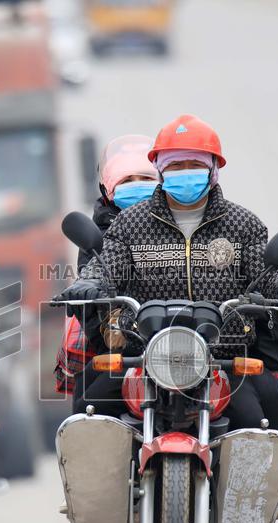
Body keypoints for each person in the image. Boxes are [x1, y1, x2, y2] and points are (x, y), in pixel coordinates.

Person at [40, 115, 278, 523]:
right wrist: (87, 285)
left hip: (224, 358)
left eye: (195, 163)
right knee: (89, 406)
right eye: (175, 163)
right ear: (161, 168)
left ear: (213, 167)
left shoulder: (243, 225)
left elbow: (270, 272)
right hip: (141, 355)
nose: (185, 172)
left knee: (266, 408)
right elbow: (103, 269)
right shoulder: (129, 227)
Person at [55, 135, 159, 396]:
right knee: (88, 402)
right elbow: (94, 277)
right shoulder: (100, 234)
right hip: (125, 347)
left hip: (187, 345)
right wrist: (91, 292)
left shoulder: (183, 224)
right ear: (108, 186)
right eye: (126, 181)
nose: (137, 186)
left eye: (146, 179)